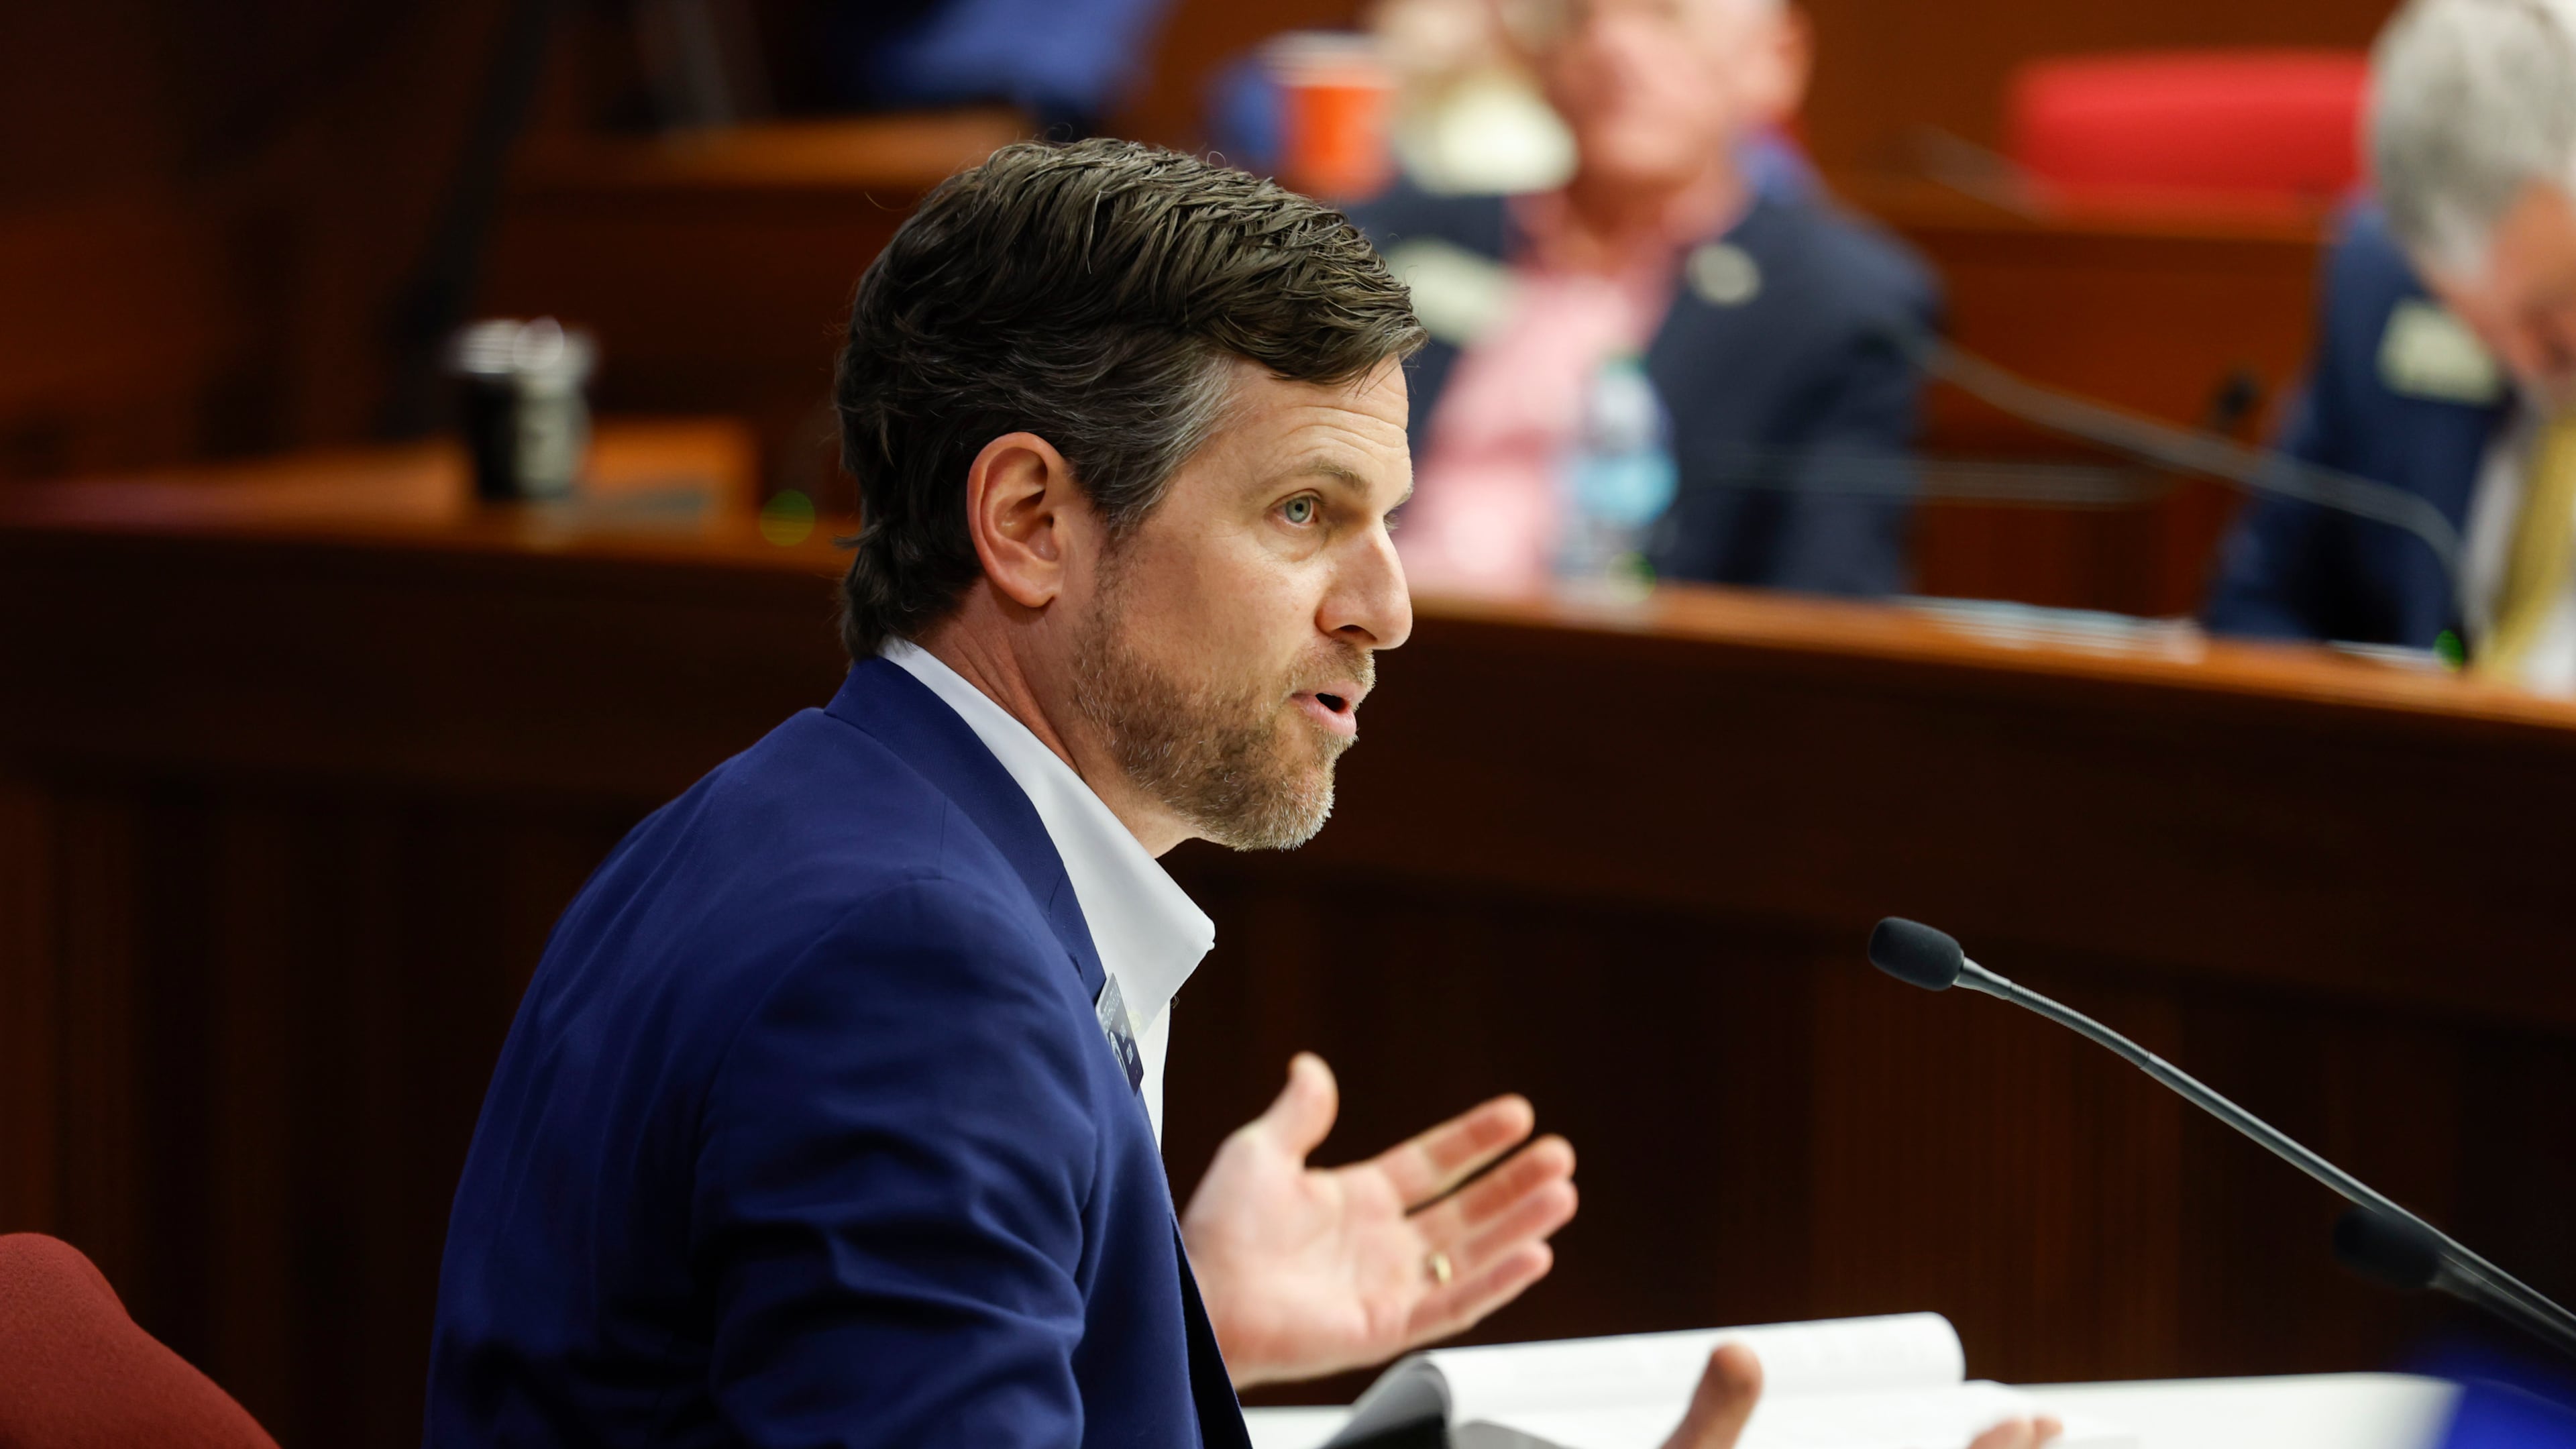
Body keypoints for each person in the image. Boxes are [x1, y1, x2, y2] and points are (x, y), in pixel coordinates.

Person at [423, 140, 2053, 1449]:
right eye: (1301, 511)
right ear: (1032, 521)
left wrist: (1163, 1307)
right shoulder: (916, 966)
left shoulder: (803, 822)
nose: (1386, 604)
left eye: (1389, 518)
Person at [1351, 0, 1937, 598]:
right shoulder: (1388, 243)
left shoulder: (1837, 301)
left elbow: (1829, 604)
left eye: (1668, 15)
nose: (1613, 43)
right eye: (1580, 15)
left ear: (1774, 58)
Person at [2205, 0, 2576, 693]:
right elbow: (2257, 608)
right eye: (2485, 325)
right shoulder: (2380, 283)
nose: (2529, 361)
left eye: (2555, 307)